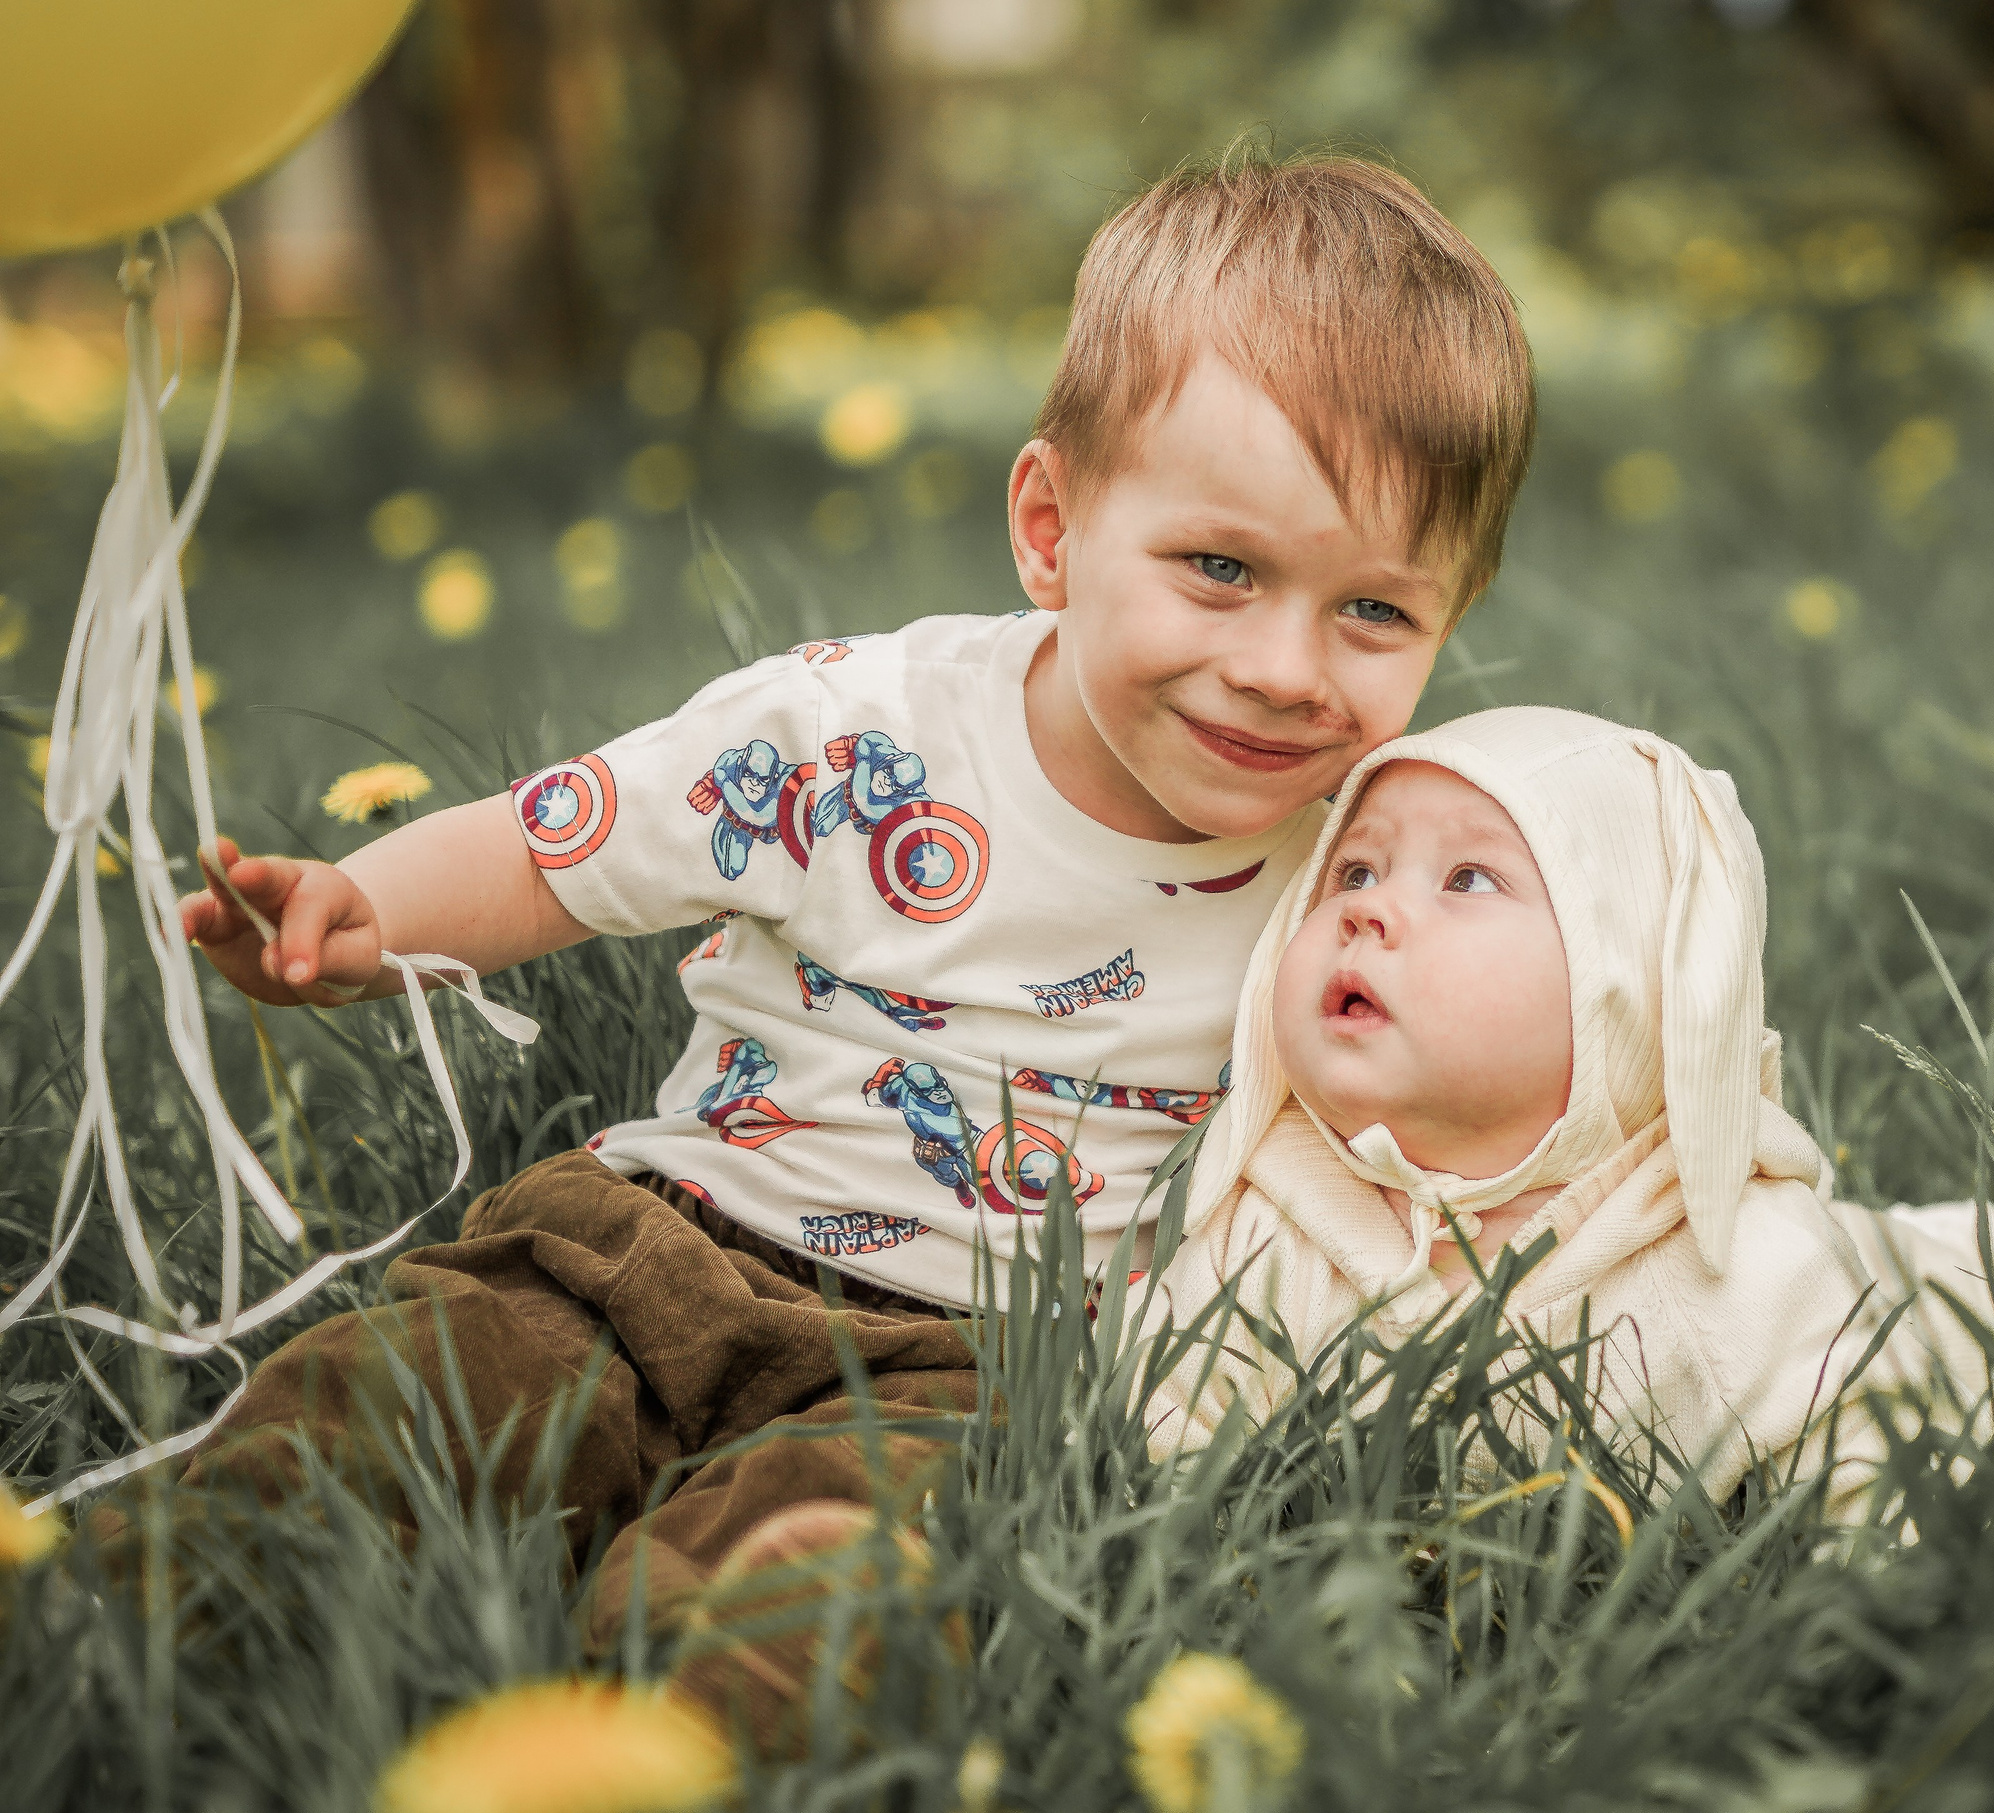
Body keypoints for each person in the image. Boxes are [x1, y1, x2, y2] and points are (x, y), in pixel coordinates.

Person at [138, 148, 1537, 1748]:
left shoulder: (1358, 864)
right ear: (1052, 528)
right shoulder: (853, 735)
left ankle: (690, 1721)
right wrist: (372, 913)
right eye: (1220, 569)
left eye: (1376, 613)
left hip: (976, 1368)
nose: (1286, 667)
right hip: (659, 1245)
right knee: (389, 1410)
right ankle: (130, 1619)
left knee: (826, 1584)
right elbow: (557, 842)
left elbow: (1488, 1064)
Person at [1136, 708, 1994, 1522]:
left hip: (1984, 1304)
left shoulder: (1742, 1269)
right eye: (1354, 870)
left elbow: (1873, 1455)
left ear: (1627, 985)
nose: (1366, 908)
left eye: (1468, 878)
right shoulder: (1266, 1224)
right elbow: (1165, 1423)